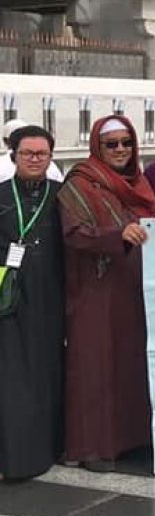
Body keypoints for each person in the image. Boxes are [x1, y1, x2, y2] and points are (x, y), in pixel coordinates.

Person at [58, 115, 155, 471]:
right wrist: (117, 237)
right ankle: (93, 447)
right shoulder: (80, 183)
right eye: (111, 144)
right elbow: (73, 233)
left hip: (133, 287)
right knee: (95, 365)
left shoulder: (139, 182)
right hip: (95, 289)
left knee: (131, 363)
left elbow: (154, 227)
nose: (119, 150)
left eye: (126, 143)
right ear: (97, 146)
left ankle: (133, 439)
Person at [0, 125, 64, 479]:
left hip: (51, 296)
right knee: (13, 376)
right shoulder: (0, 195)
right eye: (28, 153)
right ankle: (16, 454)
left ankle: (48, 447)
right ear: (14, 156)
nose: (36, 159)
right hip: (10, 298)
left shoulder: (62, 194)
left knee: (46, 371)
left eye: (42, 154)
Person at [0, 118, 63, 183]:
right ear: (13, 157)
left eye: (41, 154)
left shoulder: (61, 190)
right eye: (27, 153)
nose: (34, 159)